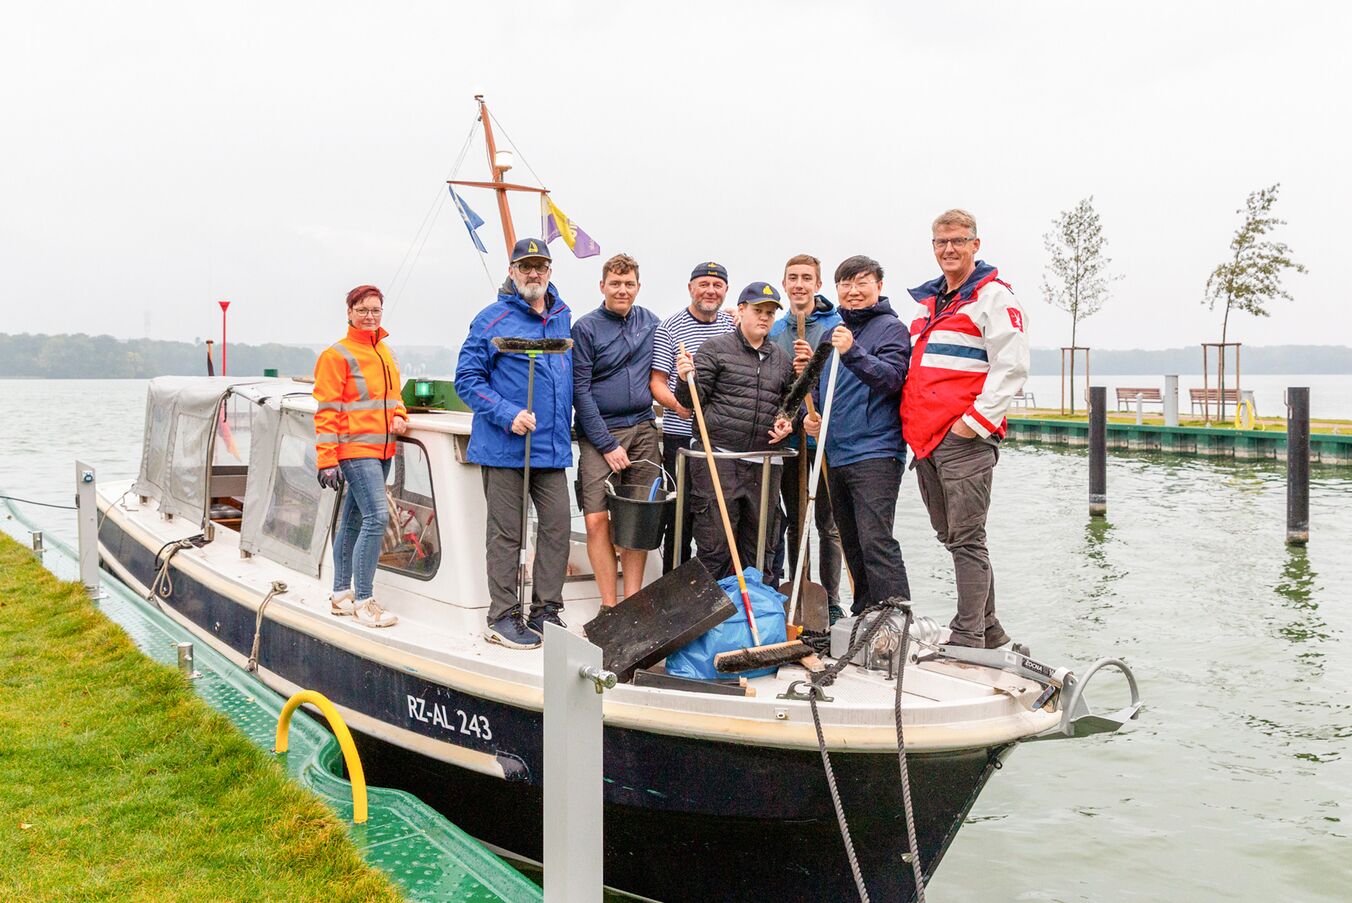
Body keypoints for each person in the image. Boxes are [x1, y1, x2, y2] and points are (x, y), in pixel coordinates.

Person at [901, 209, 1030, 649]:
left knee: (968, 538)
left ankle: (968, 635)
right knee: (951, 537)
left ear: (976, 244)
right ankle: (991, 629)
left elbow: (1011, 367)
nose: (949, 249)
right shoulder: (929, 303)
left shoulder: (993, 297)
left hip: (962, 440)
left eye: (958, 241)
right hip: (924, 441)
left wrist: (972, 425)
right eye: (941, 242)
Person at [455, 238, 573, 650]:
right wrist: (508, 414)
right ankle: (502, 616)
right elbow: (467, 380)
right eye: (525, 267)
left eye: (540, 266)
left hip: (553, 448)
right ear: (512, 272)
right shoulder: (490, 319)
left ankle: (545, 610)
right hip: (506, 448)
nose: (533, 273)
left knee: (558, 526)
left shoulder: (562, 315)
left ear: (550, 271)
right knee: (507, 533)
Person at [803, 256, 911, 615]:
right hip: (837, 453)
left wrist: (854, 352)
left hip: (876, 452)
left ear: (879, 286)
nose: (853, 291)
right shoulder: (834, 332)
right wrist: (810, 417)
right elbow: (820, 391)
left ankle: (895, 615)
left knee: (876, 540)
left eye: (862, 282)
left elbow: (891, 379)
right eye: (845, 284)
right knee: (851, 543)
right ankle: (866, 614)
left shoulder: (892, 329)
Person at [674, 282, 795, 582]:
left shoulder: (782, 358)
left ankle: (755, 620)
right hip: (718, 458)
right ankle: (711, 624)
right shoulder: (715, 349)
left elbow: (791, 404)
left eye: (770, 312)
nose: (764, 317)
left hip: (763, 464)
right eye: (758, 310)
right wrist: (683, 378)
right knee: (714, 546)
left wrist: (788, 421)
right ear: (741, 311)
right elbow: (691, 402)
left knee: (760, 550)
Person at [314, 284, 408, 629]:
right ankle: (365, 601)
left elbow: (395, 396)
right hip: (354, 449)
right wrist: (326, 459)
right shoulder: (335, 356)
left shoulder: (385, 352)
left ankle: (341, 596)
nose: (370, 316)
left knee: (353, 520)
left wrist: (401, 414)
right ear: (349, 312)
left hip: (383, 449)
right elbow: (326, 411)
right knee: (377, 518)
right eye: (363, 310)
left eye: (376, 310)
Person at [571, 253, 661, 608]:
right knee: (596, 520)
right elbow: (580, 390)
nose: (622, 290)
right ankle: (609, 605)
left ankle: (632, 601)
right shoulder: (586, 327)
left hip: (642, 428)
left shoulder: (650, 322)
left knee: (637, 518)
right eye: (615, 284)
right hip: (600, 433)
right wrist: (606, 443)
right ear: (602, 286)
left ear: (637, 287)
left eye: (628, 284)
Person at [767, 253, 844, 615]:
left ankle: (831, 599)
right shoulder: (776, 330)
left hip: (826, 440)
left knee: (829, 524)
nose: (799, 284)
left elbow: (843, 378)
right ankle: (800, 589)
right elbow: (775, 387)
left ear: (818, 284)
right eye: (792, 277)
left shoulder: (835, 325)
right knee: (797, 523)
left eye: (806, 278)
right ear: (784, 284)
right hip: (794, 442)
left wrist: (816, 360)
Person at [650, 262, 735, 572]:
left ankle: (714, 581)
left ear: (726, 290)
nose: (710, 290)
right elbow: (657, 381)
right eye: (703, 284)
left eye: (717, 285)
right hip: (681, 436)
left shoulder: (730, 326)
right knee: (680, 515)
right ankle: (673, 582)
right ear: (690, 288)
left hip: (719, 437)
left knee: (716, 514)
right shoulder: (670, 327)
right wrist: (676, 404)